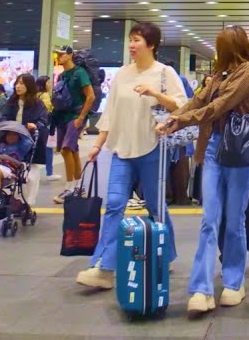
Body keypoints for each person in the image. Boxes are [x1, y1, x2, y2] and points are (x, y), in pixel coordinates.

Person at [156, 25, 249, 316]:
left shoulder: (247, 71)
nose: (218, 50)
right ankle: (200, 288)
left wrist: (183, 120)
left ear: (232, 46)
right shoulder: (216, 75)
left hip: (240, 151)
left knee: (234, 220)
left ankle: (233, 282)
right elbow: (199, 100)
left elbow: (220, 106)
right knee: (209, 219)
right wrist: (174, 117)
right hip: (214, 148)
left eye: (221, 45)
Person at [77, 22, 188, 290]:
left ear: (151, 45)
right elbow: (111, 112)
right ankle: (104, 267)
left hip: (152, 148)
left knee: (155, 205)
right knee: (115, 203)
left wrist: (154, 93)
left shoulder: (165, 72)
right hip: (121, 149)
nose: (131, 45)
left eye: (137, 40)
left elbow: (182, 105)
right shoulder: (122, 75)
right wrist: (98, 143)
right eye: (130, 40)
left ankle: (167, 253)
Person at [52, 47, 98, 204]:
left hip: (75, 116)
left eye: (62, 54)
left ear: (70, 55)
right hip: (63, 116)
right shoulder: (62, 75)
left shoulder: (80, 73)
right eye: (57, 54)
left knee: (66, 149)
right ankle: (78, 186)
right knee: (72, 150)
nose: (59, 56)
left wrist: (81, 117)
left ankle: (70, 188)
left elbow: (90, 96)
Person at [0, 73, 49, 207]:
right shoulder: (11, 102)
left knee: (30, 176)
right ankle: (13, 201)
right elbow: (3, 117)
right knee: (11, 173)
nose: (18, 86)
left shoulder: (38, 104)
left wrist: (35, 125)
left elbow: (43, 121)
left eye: (22, 83)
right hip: (12, 141)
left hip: (31, 142)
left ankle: (26, 202)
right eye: (17, 83)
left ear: (29, 86)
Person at [37, 75, 60, 181]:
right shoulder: (45, 95)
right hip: (46, 125)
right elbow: (49, 110)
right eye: (48, 82)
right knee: (49, 148)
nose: (50, 84)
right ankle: (49, 172)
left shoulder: (36, 94)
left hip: (37, 124)